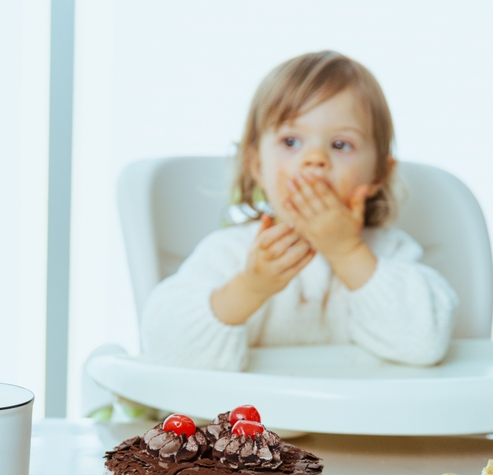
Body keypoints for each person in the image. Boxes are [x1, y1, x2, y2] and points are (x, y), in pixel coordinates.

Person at [142, 51, 458, 371]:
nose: (314, 158)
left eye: (340, 145)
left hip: (356, 420)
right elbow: (164, 348)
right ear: (256, 166)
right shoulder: (231, 254)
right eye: (291, 141)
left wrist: (348, 252)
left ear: (379, 173)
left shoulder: (390, 253)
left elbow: (426, 342)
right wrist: (250, 288)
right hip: (257, 418)